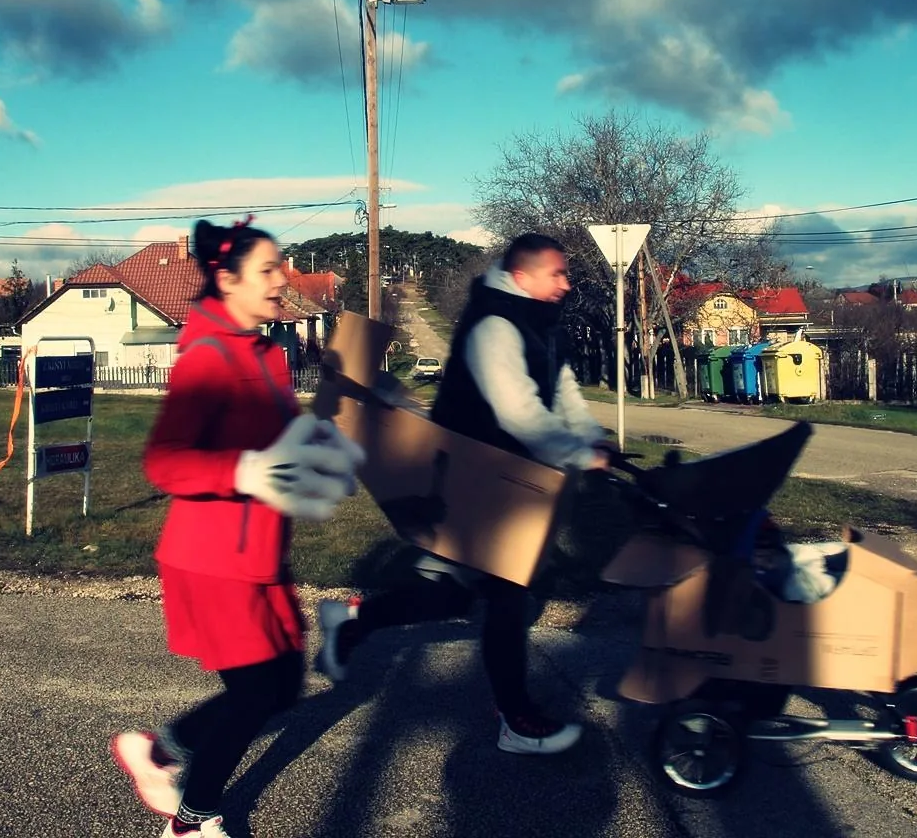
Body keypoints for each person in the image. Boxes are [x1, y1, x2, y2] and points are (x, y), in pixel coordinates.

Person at [110, 217, 365, 838]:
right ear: (228, 280)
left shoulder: (266, 352)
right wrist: (247, 470)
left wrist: (322, 455)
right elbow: (164, 461)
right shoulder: (207, 356)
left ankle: (158, 749)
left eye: (282, 267)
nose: (283, 281)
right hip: (212, 557)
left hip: (261, 552)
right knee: (254, 693)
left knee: (282, 686)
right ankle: (192, 820)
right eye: (268, 270)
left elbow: (274, 442)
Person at [315, 232, 610, 755]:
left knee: (453, 595)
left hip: (501, 483)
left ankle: (354, 622)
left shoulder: (542, 324)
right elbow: (517, 410)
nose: (566, 284)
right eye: (557, 274)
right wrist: (576, 453)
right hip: (470, 479)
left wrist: (592, 437)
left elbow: (563, 394)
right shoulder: (495, 326)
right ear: (522, 277)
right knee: (508, 596)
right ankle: (516, 720)